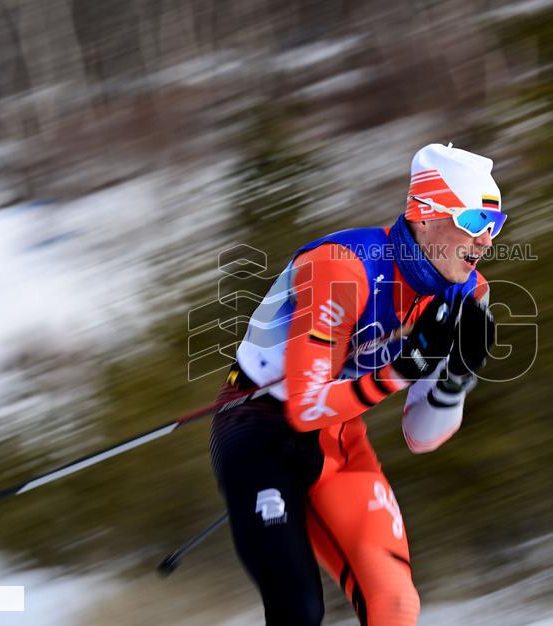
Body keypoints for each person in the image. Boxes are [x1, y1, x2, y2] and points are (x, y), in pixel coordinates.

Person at [209, 143, 503, 626]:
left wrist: (455, 380)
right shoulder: (342, 265)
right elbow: (304, 408)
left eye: (496, 224)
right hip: (257, 424)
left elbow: (421, 437)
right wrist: (402, 370)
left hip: (338, 435)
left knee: (396, 604)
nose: (487, 240)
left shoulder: (467, 294)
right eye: (475, 221)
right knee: (299, 609)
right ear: (425, 214)